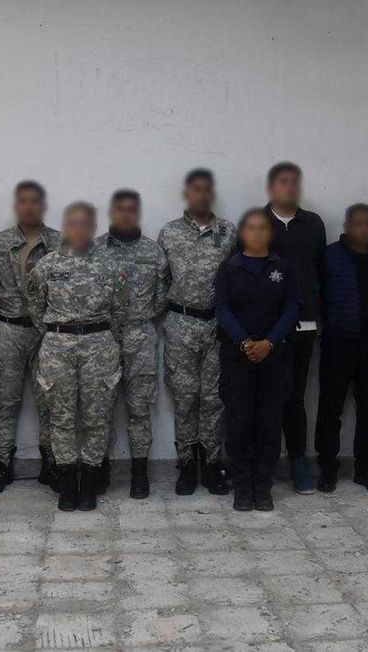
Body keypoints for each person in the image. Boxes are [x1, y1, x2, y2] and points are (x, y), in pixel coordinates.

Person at [28, 202, 126, 511]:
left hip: (100, 345)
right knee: (61, 417)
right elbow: (35, 305)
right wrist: (58, 333)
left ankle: (91, 482)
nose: (78, 229)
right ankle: (68, 483)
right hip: (58, 346)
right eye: (72, 223)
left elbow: (120, 309)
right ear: (65, 227)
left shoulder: (110, 265)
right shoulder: (47, 264)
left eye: (85, 223)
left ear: (94, 228)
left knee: (97, 416)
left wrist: (102, 336)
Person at [215, 208, 301, 511]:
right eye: (251, 228)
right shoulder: (229, 268)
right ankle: (242, 486)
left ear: (271, 233)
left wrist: (269, 343)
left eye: (263, 228)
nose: (257, 233)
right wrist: (245, 342)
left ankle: (263, 487)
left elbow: (292, 307)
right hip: (238, 356)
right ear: (242, 233)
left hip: (274, 355)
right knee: (239, 423)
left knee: (269, 423)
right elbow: (222, 308)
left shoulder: (284, 268)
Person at [158, 169, 236, 496]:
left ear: (212, 194)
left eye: (206, 189)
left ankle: (212, 461)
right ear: (186, 195)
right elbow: (161, 278)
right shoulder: (169, 232)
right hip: (181, 323)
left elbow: (235, 276)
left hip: (217, 324)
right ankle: (187, 463)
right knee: (184, 396)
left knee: (213, 397)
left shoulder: (228, 232)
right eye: (195, 190)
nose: (201, 195)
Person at [0, 180, 62, 495]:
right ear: (17, 206)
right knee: (7, 402)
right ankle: (2, 464)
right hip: (10, 331)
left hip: (47, 333)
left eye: (35, 201)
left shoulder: (59, 242)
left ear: (43, 206)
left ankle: (51, 463)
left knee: (50, 402)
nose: (30, 207)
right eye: (24, 201)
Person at [314, 203, 368, 493]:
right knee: (330, 408)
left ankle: (366, 468)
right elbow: (316, 295)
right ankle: (327, 467)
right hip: (338, 342)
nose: (365, 228)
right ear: (347, 226)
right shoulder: (329, 256)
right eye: (358, 223)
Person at [96, 189, 169, 499]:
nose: (125, 214)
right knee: (100, 407)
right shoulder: (95, 249)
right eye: (120, 209)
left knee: (140, 407)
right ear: (112, 212)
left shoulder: (154, 252)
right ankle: (99, 469)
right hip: (103, 338)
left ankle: (140, 472)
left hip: (141, 336)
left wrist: (141, 319)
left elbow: (162, 295)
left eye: (131, 209)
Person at [264, 162, 326, 494]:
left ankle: (298, 459)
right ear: (271, 188)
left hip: (304, 323)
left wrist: (320, 316)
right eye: (282, 182)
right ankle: (265, 462)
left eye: (294, 182)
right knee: (267, 396)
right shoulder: (257, 223)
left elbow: (320, 272)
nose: (289, 188)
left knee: (295, 396)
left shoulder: (313, 224)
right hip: (266, 327)